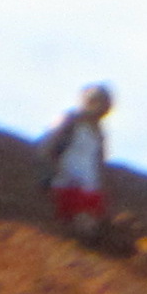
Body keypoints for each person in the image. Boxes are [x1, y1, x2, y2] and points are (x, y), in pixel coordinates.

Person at [36, 83, 116, 243]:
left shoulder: (99, 132)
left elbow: (99, 161)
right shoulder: (69, 120)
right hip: (67, 182)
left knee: (94, 224)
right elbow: (48, 145)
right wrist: (50, 173)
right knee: (82, 222)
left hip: (89, 187)